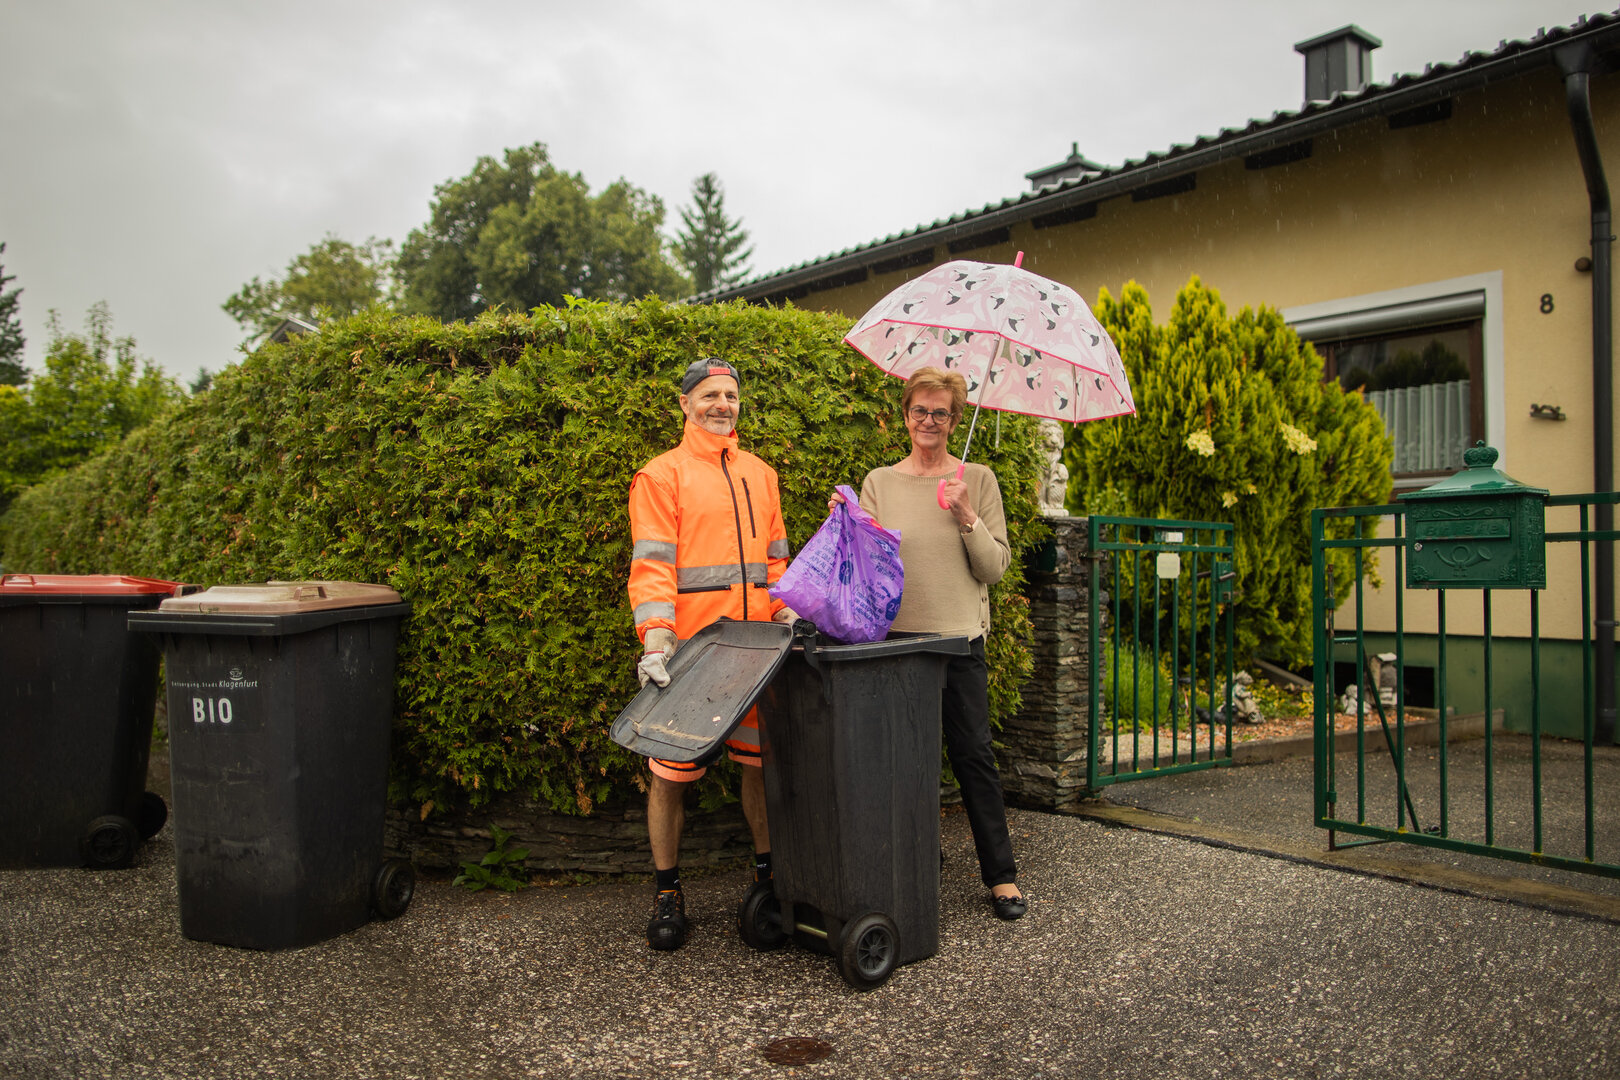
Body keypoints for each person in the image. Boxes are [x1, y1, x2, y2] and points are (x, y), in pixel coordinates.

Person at [844, 366, 1028, 920]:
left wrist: (967, 516)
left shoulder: (980, 479)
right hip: (897, 644)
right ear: (905, 415)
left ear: (955, 419)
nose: (929, 420)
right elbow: (866, 565)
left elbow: (995, 570)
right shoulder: (881, 481)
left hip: (959, 642)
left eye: (940, 412)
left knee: (973, 756)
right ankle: (919, 857)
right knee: (903, 762)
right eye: (920, 410)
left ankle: (1001, 876)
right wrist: (849, 524)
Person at [627, 356, 796, 951]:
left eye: (731, 393)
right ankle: (668, 892)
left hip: (757, 654)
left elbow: (776, 563)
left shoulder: (762, 474)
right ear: (685, 404)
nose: (722, 403)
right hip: (694, 657)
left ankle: (768, 880)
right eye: (710, 395)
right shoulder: (660, 476)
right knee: (670, 775)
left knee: (759, 769)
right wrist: (655, 634)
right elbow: (651, 567)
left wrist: (787, 609)